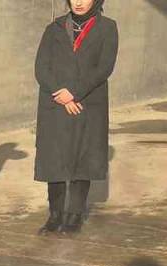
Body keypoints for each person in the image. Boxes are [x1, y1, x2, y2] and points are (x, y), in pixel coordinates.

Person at [34, 0, 117, 236]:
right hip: (56, 103)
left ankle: (74, 216)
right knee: (55, 161)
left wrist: (75, 93)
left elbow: (104, 67)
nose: (79, 2)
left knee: (83, 159)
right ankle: (55, 215)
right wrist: (62, 96)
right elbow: (41, 67)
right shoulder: (54, 28)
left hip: (87, 103)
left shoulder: (107, 28)